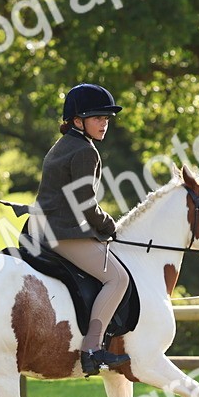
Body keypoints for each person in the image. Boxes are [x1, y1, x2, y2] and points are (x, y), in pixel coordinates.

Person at [30, 83, 131, 376]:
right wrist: (110, 226)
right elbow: (85, 205)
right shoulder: (86, 152)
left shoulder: (62, 145)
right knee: (118, 279)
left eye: (106, 118)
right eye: (97, 118)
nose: (104, 123)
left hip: (42, 229)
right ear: (77, 120)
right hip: (63, 233)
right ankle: (92, 349)